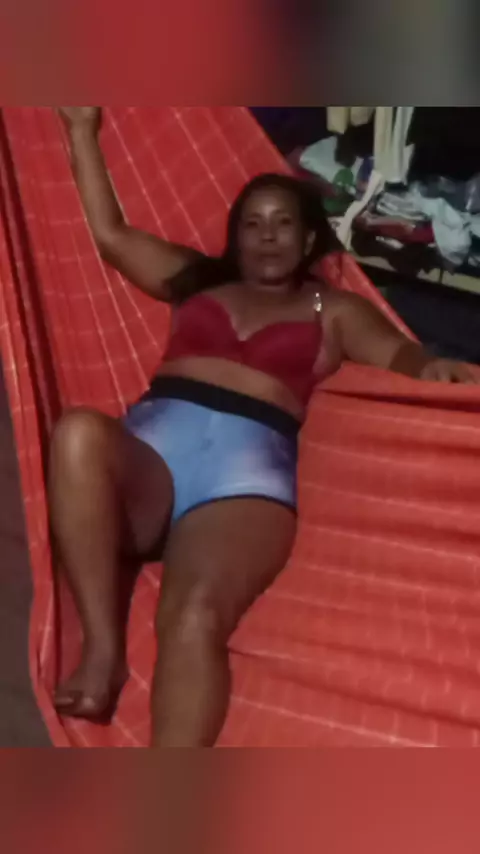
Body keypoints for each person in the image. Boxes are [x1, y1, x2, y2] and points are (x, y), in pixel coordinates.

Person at [50, 106, 478, 748]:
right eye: (252, 224)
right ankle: (103, 652)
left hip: (241, 486)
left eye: (283, 224)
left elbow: (401, 355)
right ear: (236, 238)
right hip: (149, 465)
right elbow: (112, 236)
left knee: (194, 616)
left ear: (307, 241)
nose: (267, 236)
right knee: (77, 432)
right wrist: (81, 131)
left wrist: (433, 368)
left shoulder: (330, 307)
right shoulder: (199, 281)